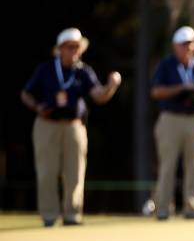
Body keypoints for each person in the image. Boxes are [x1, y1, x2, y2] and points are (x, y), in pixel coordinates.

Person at [21, 28, 121, 227]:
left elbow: (98, 96)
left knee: (75, 171)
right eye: (70, 47)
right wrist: (36, 106)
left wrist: (111, 85)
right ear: (60, 49)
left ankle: (72, 215)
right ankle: (49, 216)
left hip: (74, 125)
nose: (74, 51)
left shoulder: (83, 71)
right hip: (47, 124)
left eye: (77, 47)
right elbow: (26, 94)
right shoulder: (46, 69)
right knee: (47, 171)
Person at [151, 26, 194, 220]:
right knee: (167, 165)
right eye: (184, 44)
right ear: (175, 46)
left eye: (191, 43)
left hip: (193, 119)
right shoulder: (166, 65)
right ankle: (162, 208)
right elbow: (156, 91)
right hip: (170, 118)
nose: (188, 47)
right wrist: (180, 89)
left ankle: (192, 207)